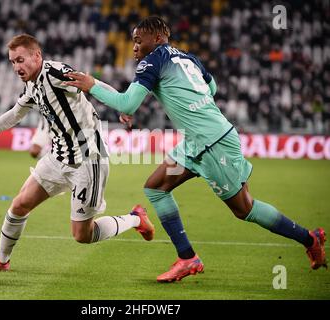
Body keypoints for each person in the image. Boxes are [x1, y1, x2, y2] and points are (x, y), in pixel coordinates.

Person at [65, 16, 327, 282]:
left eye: (137, 40)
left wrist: (92, 84)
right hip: (195, 143)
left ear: (156, 39)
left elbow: (127, 103)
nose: (134, 47)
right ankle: (187, 258)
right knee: (155, 188)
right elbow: (211, 88)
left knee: (244, 209)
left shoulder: (152, 60)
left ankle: (309, 238)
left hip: (213, 143)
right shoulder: (189, 58)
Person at [0, 34, 155, 271]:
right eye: (12, 62)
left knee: (82, 235)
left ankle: (136, 218)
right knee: (19, 204)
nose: (16, 67)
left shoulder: (55, 72)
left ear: (37, 56)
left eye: (20, 60)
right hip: (58, 155)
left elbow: (91, 82)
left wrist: (121, 104)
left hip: (88, 157)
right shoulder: (31, 85)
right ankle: (2, 261)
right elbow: (16, 112)